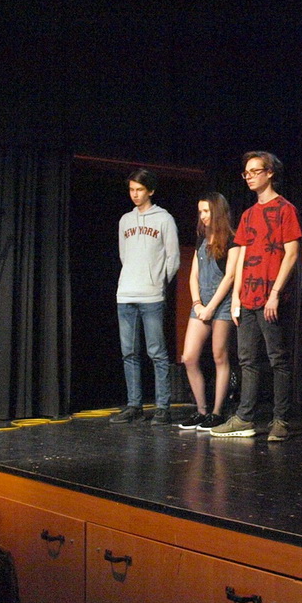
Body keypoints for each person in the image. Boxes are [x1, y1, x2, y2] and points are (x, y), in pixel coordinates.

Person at [211, 152, 302, 440]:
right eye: (246, 172)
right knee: (247, 360)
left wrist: (275, 293)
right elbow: (241, 257)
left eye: (254, 171)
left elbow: (292, 254)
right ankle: (245, 417)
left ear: (270, 173)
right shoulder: (248, 214)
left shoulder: (285, 209)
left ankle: (281, 420)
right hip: (248, 296)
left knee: (277, 359)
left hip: (271, 296)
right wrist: (236, 297)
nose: (249, 176)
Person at [111, 168, 180, 425]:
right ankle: (134, 405)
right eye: (131, 190)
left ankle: (162, 407)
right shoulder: (125, 220)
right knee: (129, 353)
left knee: (156, 353)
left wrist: (158, 283)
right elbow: (124, 255)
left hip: (151, 296)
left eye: (139, 189)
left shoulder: (164, 219)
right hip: (125, 294)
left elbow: (173, 258)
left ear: (150, 190)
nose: (135, 194)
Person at [177, 193, 239, 431]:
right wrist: (197, 304)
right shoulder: (201, 240)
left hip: (221, 303)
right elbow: (194, 275)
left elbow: (230, 277)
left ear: (217, 212)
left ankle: (217, 412)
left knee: (219, 356)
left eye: (206, 211)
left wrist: (212, 307)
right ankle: (201, 410)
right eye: (200, 212)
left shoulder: (232, 240)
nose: (202, 216)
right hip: (201, 304)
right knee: (189, 357)